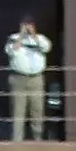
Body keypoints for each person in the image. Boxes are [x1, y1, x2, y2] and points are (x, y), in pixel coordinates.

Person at [5, 14, 52, 142]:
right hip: (18, 79)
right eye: (25, 24)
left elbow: (46, 48)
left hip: (36, 80)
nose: (27, 27)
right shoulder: (13, 38)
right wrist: (21, 35)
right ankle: (17, 142)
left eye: (30, 24)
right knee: (18, 113)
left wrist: (34, 35)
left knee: (37, 111)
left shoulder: (40, 39)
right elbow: (11, 51)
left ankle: (37, 140)